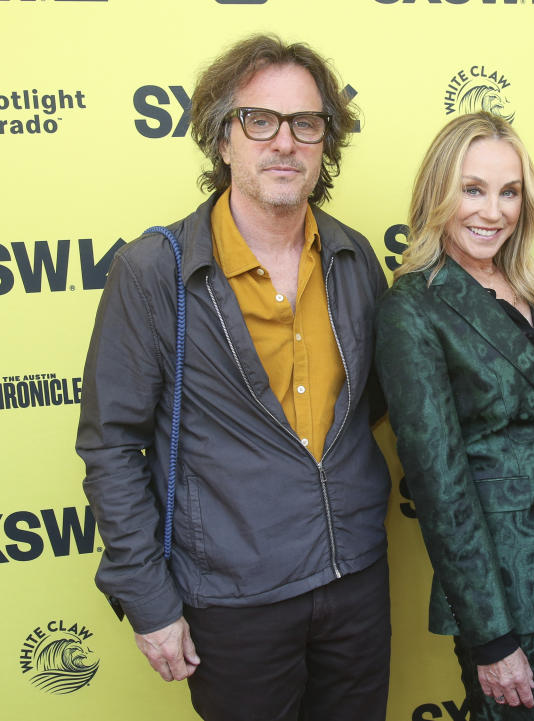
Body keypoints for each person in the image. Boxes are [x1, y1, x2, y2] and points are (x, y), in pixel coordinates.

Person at [76, 34, 391, 721]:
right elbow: (110, 447)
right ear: (222, 139)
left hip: (356, 578)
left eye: (306, 124)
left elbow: (363, 408)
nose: (284, 142)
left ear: (325, 143)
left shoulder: (352, 256)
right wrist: (150, 600)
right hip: (233, 601)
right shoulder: (154, 270)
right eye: (260, 120)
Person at [375, 112, 534, 721]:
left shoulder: (526, 285)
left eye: (509, 192)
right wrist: (491, 635)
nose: (494, 211)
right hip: (509, 587)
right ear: (439, 194)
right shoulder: (414, 308)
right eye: (473, 189)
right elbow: (439, 483)